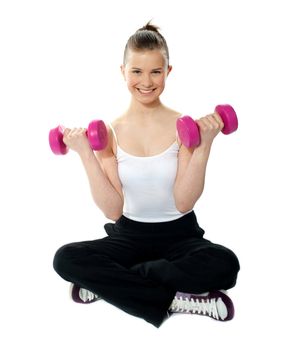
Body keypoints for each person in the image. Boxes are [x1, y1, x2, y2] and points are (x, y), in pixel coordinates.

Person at [53, 22, 240, 328]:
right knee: (65, 259)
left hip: (180, 235)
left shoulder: (185, 127)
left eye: (155, 71)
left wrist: (205, 145)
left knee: (226, 265)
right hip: (129, 236)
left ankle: (110, 285)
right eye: (137, 71)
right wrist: (86, 153)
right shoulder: (109, 133)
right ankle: (174, 299)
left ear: (168, 71)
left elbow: (183, 202)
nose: (146, 81)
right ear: (123, 72)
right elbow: (113, 210)